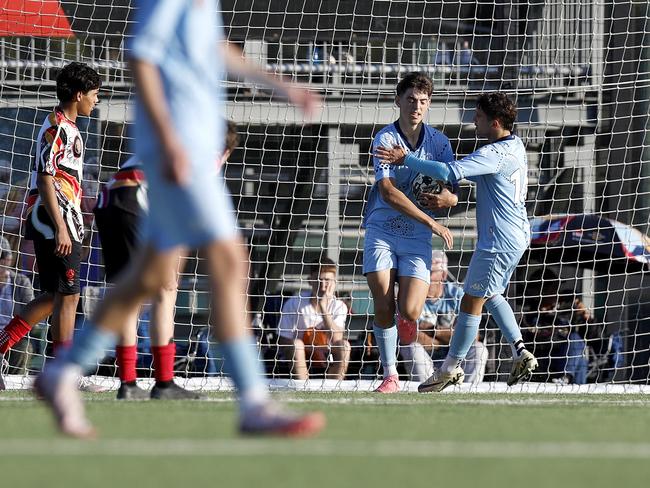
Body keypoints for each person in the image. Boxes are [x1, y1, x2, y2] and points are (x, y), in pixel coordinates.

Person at [36, 0, 324, 439]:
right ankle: (253, 400)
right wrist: (169, 139)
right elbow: (141, 55)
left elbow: (214, 48)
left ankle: (62, 372)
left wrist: (280, 85)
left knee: (144, 282)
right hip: (177, 156)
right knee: (229, 262)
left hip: (164, 164)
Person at [375, 91, 538, 392]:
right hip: (518, 235)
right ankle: (520, 350)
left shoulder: (493, 154)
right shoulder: (514, 146)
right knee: (491, 295)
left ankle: (450, 368)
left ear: (496, 122)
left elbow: (449, 171)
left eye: (479, 117)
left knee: (470, 300)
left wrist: (405, 158)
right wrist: (449, 196)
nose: (474, 121)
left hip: (497, 240)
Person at [93, 122, 240, 400]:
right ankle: (164, 383)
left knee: (129, 296)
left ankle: (128, 384)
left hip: (109, 199)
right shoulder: (207, 156)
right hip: (138, 197)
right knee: (166, 290)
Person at [0, 62, 100, 361]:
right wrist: (60, 227)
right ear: (79, 94)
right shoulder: (58, 129)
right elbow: (45, 176)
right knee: (67, 295)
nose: (96, 101)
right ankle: (61, 370)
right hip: (51, 219)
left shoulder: (68, 128)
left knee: (60, 294)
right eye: (94, 94)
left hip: (62, 218)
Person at [363, 72, 455, 393]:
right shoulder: (385, 139)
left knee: (412, 310)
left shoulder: (441, 143)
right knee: (383, 302)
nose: (417, 106)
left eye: (423, 101)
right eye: (411, 100)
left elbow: (452, 183)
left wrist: (449, 198)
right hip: (383, 229)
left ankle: (406, 317)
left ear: (429, 104)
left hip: (415, 237)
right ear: (398, 100)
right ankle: (390, 376)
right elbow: (387, 191)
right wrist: (431, 221)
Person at [399, 251, 487, 384]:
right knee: (413, 348)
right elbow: (410, 336)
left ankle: (468, 394)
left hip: (455, 359)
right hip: (426, 357)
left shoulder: (457, 294)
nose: (423, 277)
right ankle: (426, 395)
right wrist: (451, 335)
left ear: (444, 275)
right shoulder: (411, 296)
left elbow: (472, 336)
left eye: (430, 272)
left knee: (479, 349)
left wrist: (433, 331)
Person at [277, 258, 351, 380]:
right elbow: (283, 339)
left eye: (327, 280)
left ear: (334, 282)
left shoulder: (339, 306)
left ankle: (333, 388)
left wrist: (323, 307)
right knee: (297, 345)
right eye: (318, 279)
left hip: (328, 353)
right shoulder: (294, 302)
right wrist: (310, 347)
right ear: (310, 280)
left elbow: (337, 338)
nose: (322, 285)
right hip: (300, 353)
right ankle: (303, 387)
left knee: (345, 346)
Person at [0, 237, 36, 389]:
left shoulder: (21, 282)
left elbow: (33, 318)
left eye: (1, 257)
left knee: (24, 347)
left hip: (12, 337)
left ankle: (12, 385)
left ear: (9, 259)